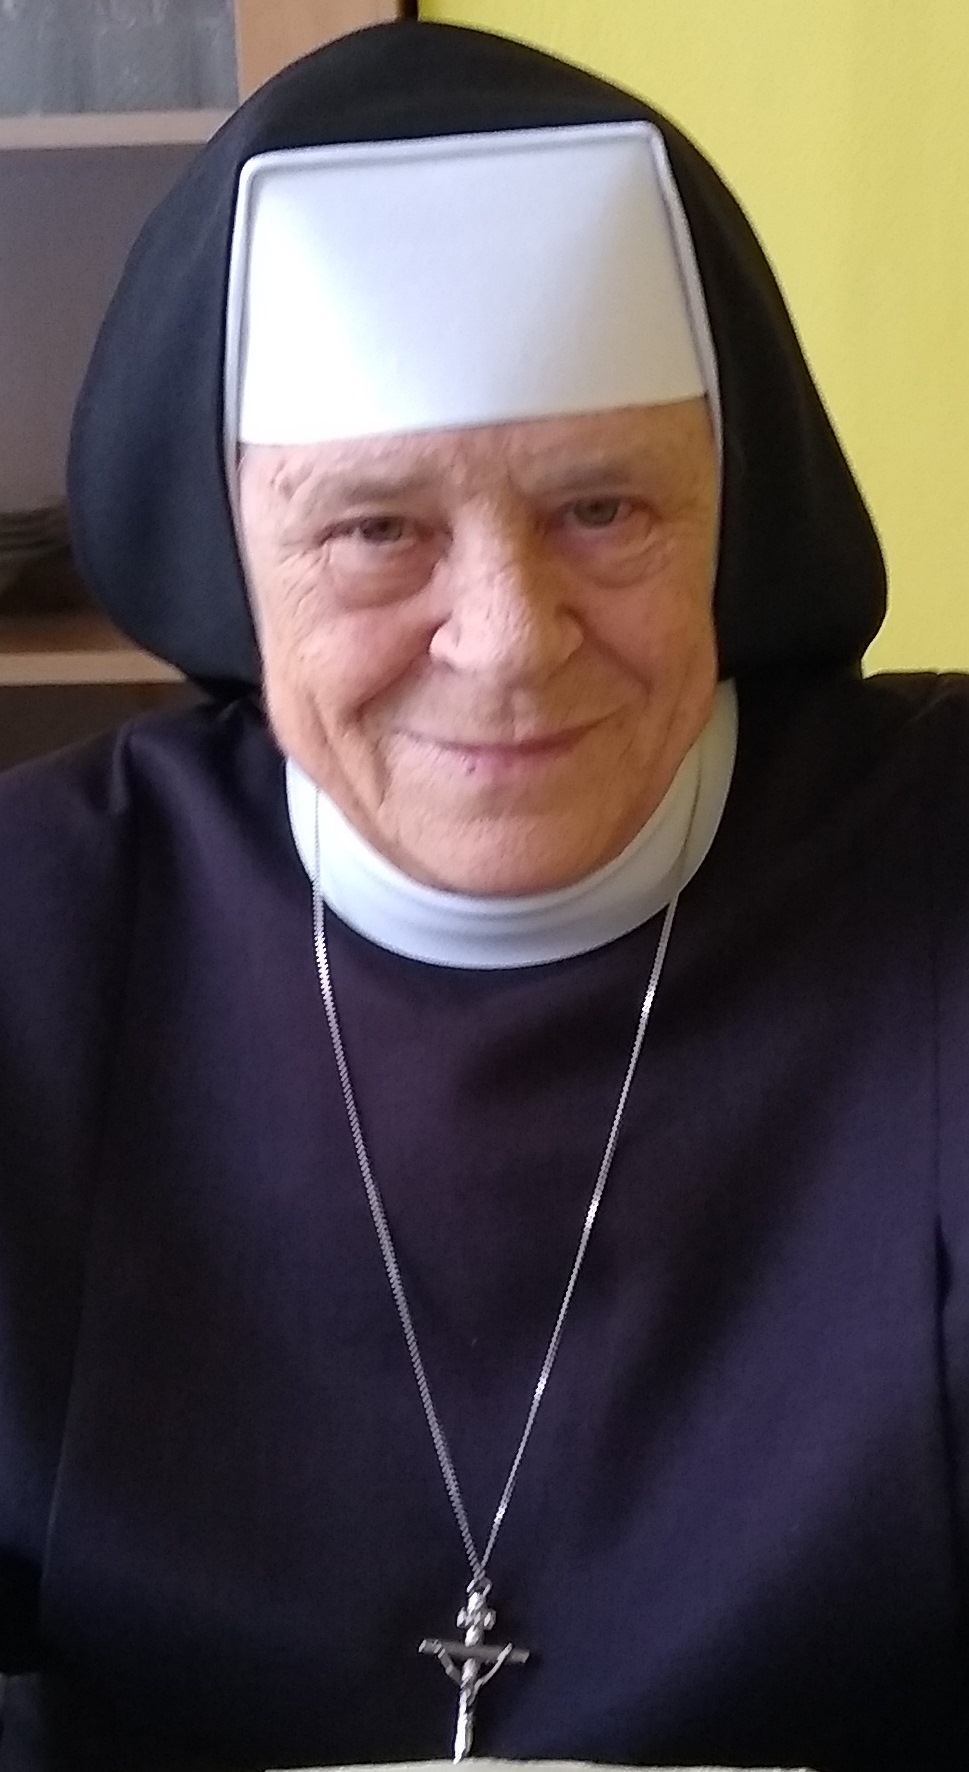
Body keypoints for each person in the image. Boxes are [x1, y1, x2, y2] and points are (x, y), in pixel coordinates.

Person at [0, 16, 966, 1772]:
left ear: (728, 508)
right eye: (374, 529)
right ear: (230, 549)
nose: (509, 642)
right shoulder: (34, 934)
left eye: (603, 507)